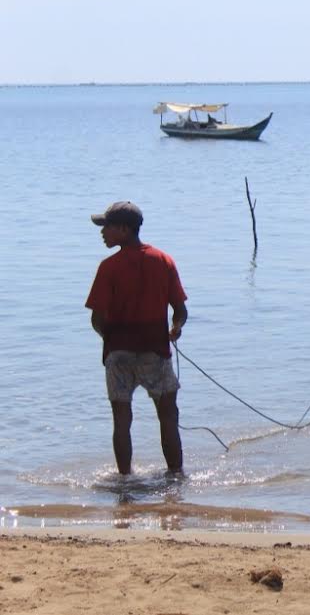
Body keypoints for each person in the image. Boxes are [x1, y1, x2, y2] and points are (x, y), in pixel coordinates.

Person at [85, 201, 188, 475]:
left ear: (124, 229)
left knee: (121, 420)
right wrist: (175, 328)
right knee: (168, 416)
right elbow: (180, 310)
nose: (102, 232)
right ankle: (176, 477)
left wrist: (114, 339)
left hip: (118, 354)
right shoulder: (164, 261)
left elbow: (96, 319)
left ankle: (125, 480)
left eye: (106, 227)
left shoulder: (108, 267)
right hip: (155, 351)